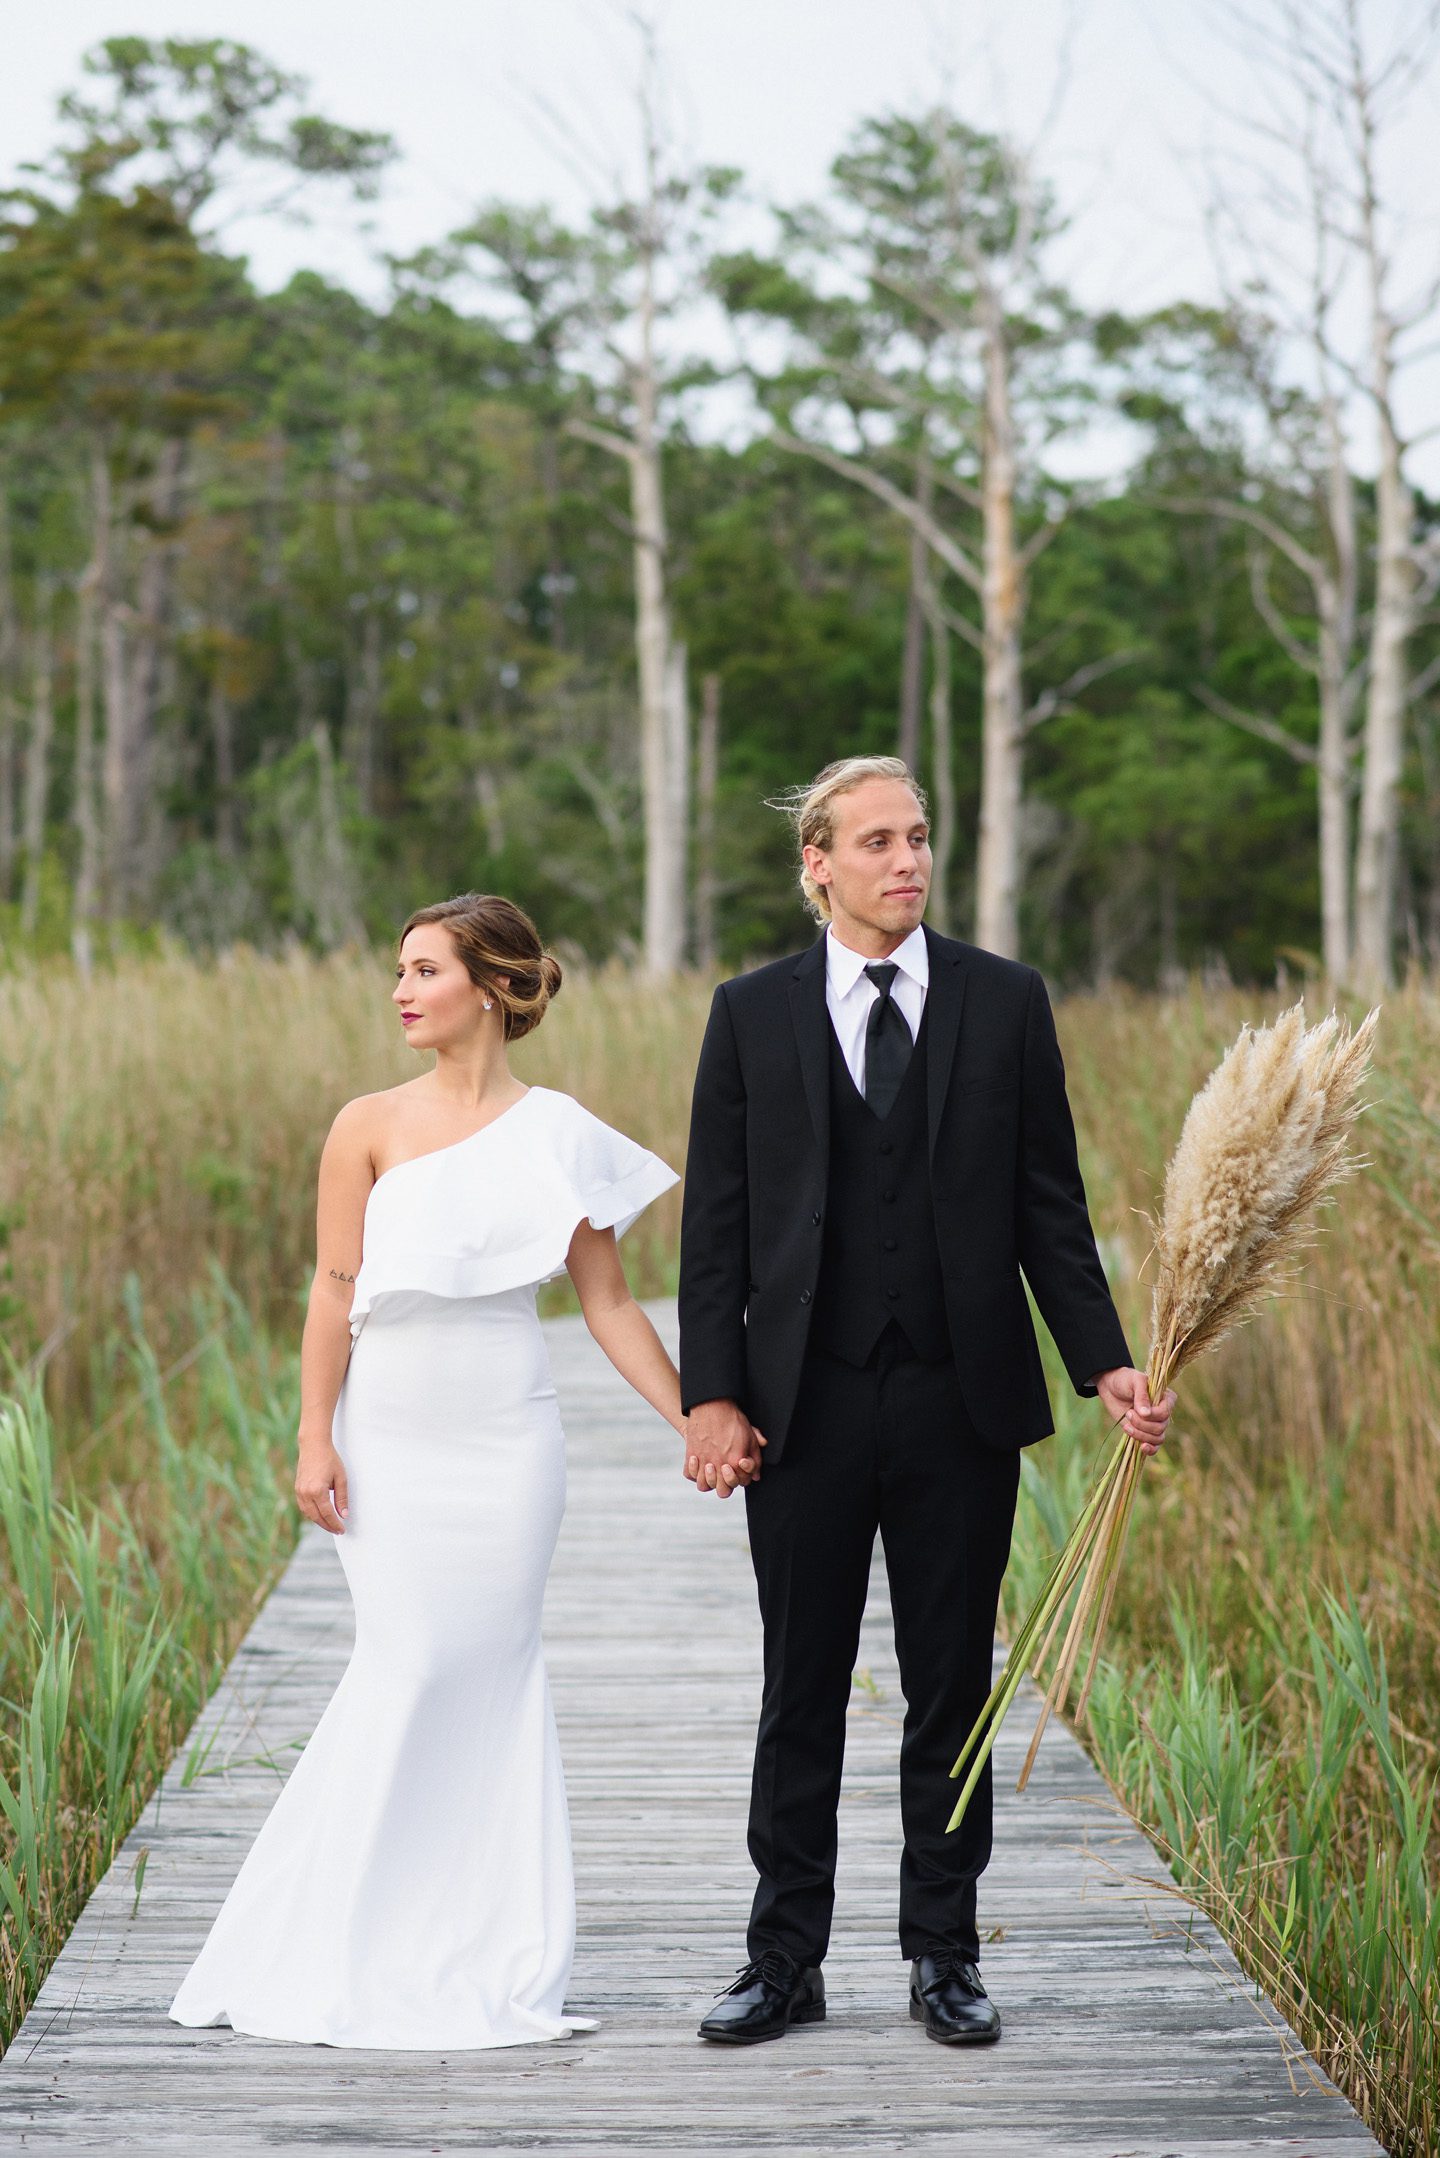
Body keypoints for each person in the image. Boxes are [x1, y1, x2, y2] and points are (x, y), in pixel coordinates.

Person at [678, 756, 1176, 2049]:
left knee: (950, 1681)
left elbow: (1047, 1204)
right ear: (819, 864)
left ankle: (943, 1953)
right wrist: (711, 1398)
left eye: (920, 837)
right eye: (881, 841)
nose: (909, 860)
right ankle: (782, 1956)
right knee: (802, 1686)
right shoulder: (750, 1014)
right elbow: (717, 1234)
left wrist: (1103, 1357)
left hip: (962, 1398)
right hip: (803, 1405)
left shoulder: (1005, 1002)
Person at [168, 892, 683, 2049]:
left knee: (491, 1671)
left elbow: (606, 1303)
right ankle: (345, 1935)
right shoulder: (364, 1124)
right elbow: (333, 1292)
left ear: (492, 986)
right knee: (408, 1662)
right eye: (397, 971)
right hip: (391, 1427)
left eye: (424, 969)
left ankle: (485, 1942)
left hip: (510, 1433)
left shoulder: (560, 1132)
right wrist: (315, 1431)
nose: (402, 991)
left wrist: (690, 1416)